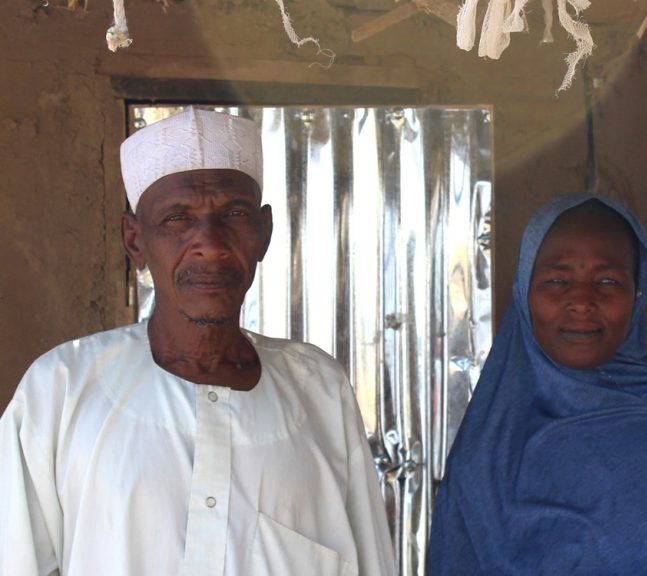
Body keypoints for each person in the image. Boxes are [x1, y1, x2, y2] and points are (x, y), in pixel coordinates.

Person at [0, 107, 397, 576]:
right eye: (176, 219)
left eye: (234, 213)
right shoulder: (61, 390)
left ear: (264, 233)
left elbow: (370, 564)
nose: (209, 243)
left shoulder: (318, 390)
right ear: (135, 241)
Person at [427, 194, 647, 575]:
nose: (582, 301)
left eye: (608, 281)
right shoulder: (486, 458)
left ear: (637, 295)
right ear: (524, 293)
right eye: (557, 280)